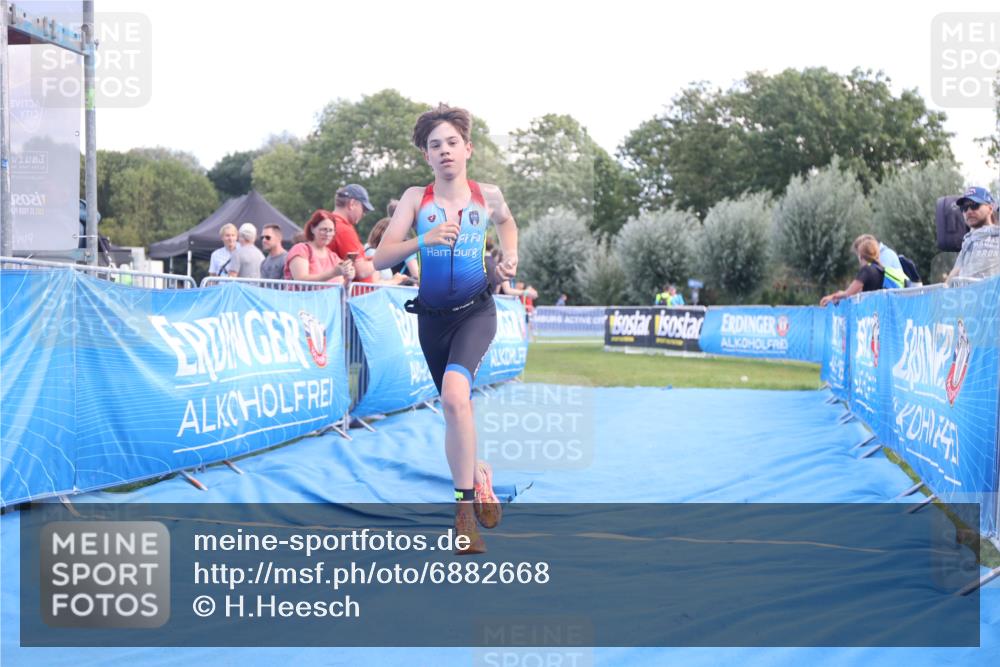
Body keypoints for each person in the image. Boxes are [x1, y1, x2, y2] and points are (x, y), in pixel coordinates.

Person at [373, 104, 516, 555]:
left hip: (475, 312)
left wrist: (510, 257)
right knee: (456, 412)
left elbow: (507, 223)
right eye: (435, 145)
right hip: (432, 321)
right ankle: (478, 473)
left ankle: (463, 514)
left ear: (468, 148)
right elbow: (379, 258)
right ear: (426, 157)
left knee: (456, 398)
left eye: (452, 142)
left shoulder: (486, 194)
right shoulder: (417, 199)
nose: (445, 151)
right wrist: (423, 240)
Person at [313, 184, 378, 282]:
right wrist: (382, 260)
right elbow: (362, 271)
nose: (364, 214)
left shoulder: (330, 224)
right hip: (350, 295)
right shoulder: (343, 230)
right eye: (364, 209)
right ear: (352, 204)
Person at [820, 235, 899, 306]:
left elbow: (848, 293)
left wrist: (832, 297)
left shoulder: (867, 270)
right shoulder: (881, 269)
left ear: (860, 256)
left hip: (870, 312)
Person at [284, 211, 355, 284]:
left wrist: (348, 279)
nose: (327, 234)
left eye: (331, 230)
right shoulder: (301, 249)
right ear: (312, 229)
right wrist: (332, 273)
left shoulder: (333, 257)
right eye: (323, 229)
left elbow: (340, 288)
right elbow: (301, 281)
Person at [947, 187, 999, 281]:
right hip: (967, 294)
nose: (969, 211)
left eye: (975, 205)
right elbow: (954, 274)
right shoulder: (968, 242)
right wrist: (941, 292)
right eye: (964, 208)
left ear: (990, 208)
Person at [365, 217, 418, 285]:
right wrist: (396, 280)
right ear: (382, 234)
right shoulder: (373, 253)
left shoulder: (377, 253)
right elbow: (374, 283)